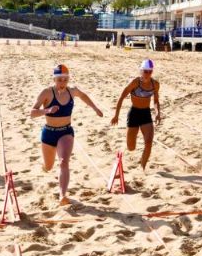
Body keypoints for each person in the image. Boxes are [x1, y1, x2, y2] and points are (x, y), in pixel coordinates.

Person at [30, 64, 103, 205]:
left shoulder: (72, 91)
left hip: (66, 132)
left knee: (64, 162)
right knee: (49, 166)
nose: (62, 83)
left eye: (65, 80)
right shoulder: (46, 92)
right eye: (59, 80)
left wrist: (95, 108)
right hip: (49, 133)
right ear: (54, 79)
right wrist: (47, 110)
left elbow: (83, 96)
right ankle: (45, 166)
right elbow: (32, 113)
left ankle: (62, 195)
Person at [110, 59, 161, 170]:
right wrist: (116, 115)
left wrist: (158, 113)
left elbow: (156, 101)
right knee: (131, 147)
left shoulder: (155, 84)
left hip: (146, 114)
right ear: (141, 71)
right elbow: (121, 97)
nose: (147, 74)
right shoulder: (135, 82)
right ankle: (130, 142)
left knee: (148, 142)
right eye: (145, 71)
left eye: (150, 71)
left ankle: (142, 168)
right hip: (134, 113)